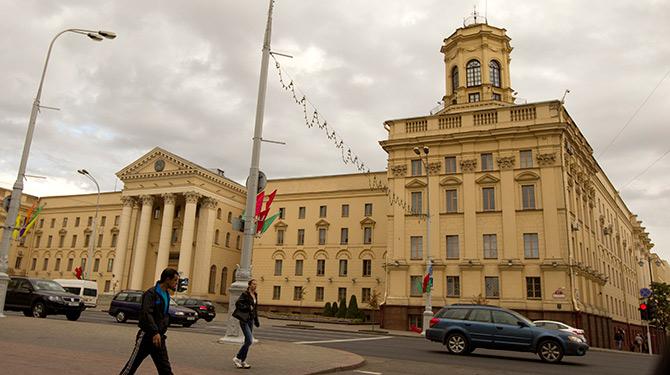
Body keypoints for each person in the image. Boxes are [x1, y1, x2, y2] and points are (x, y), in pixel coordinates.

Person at [119, 268, 179, 375]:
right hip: (147, 337)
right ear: (167, 279)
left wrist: (161, 331)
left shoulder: (166, 295)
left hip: (159, 338)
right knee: (130, 368)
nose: (176, 284)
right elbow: (147, 314)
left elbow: (163, 315)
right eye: (175, 280)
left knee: (165, 370)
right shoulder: (151, 293)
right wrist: (155, 331)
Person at [232, 279, 260, 369]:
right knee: (249, 340)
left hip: (251, 320)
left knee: (247, 342)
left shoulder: (255, 294)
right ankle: (237, 358)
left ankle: (243, 361)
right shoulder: (245, 294)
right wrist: (248, 307)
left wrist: (256, 320)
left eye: (256, 284)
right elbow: (238, 303)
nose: (255, 286)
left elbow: (255, 309)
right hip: (244, 320)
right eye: (253, 284)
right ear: (249, 285)